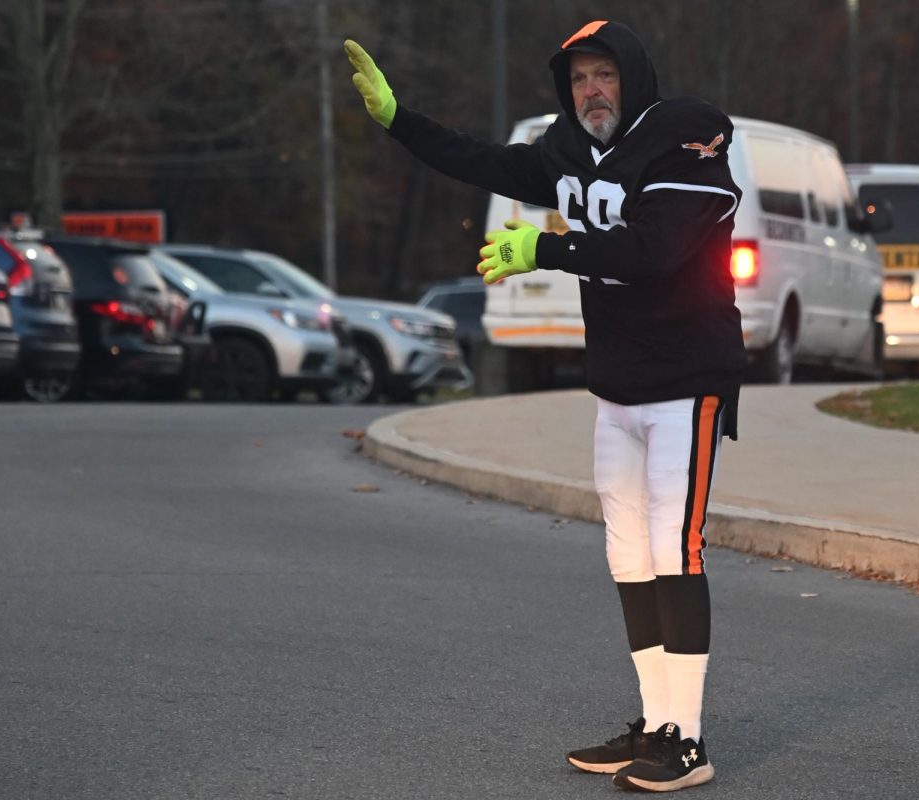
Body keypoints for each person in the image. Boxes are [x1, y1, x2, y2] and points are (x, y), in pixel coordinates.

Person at [345, 20, 745, 793]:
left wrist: (545, 249)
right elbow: (484, 161)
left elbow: (653, 251)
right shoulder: (569, 149)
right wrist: (401, 123)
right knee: (627, 551)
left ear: (634, 75)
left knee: (676, 547)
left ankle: (688, 742)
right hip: (617, 384)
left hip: (685, 380)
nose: (592, 91)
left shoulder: (687, 132)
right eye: (579, 80)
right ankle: (656, 724)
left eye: (604, 75)